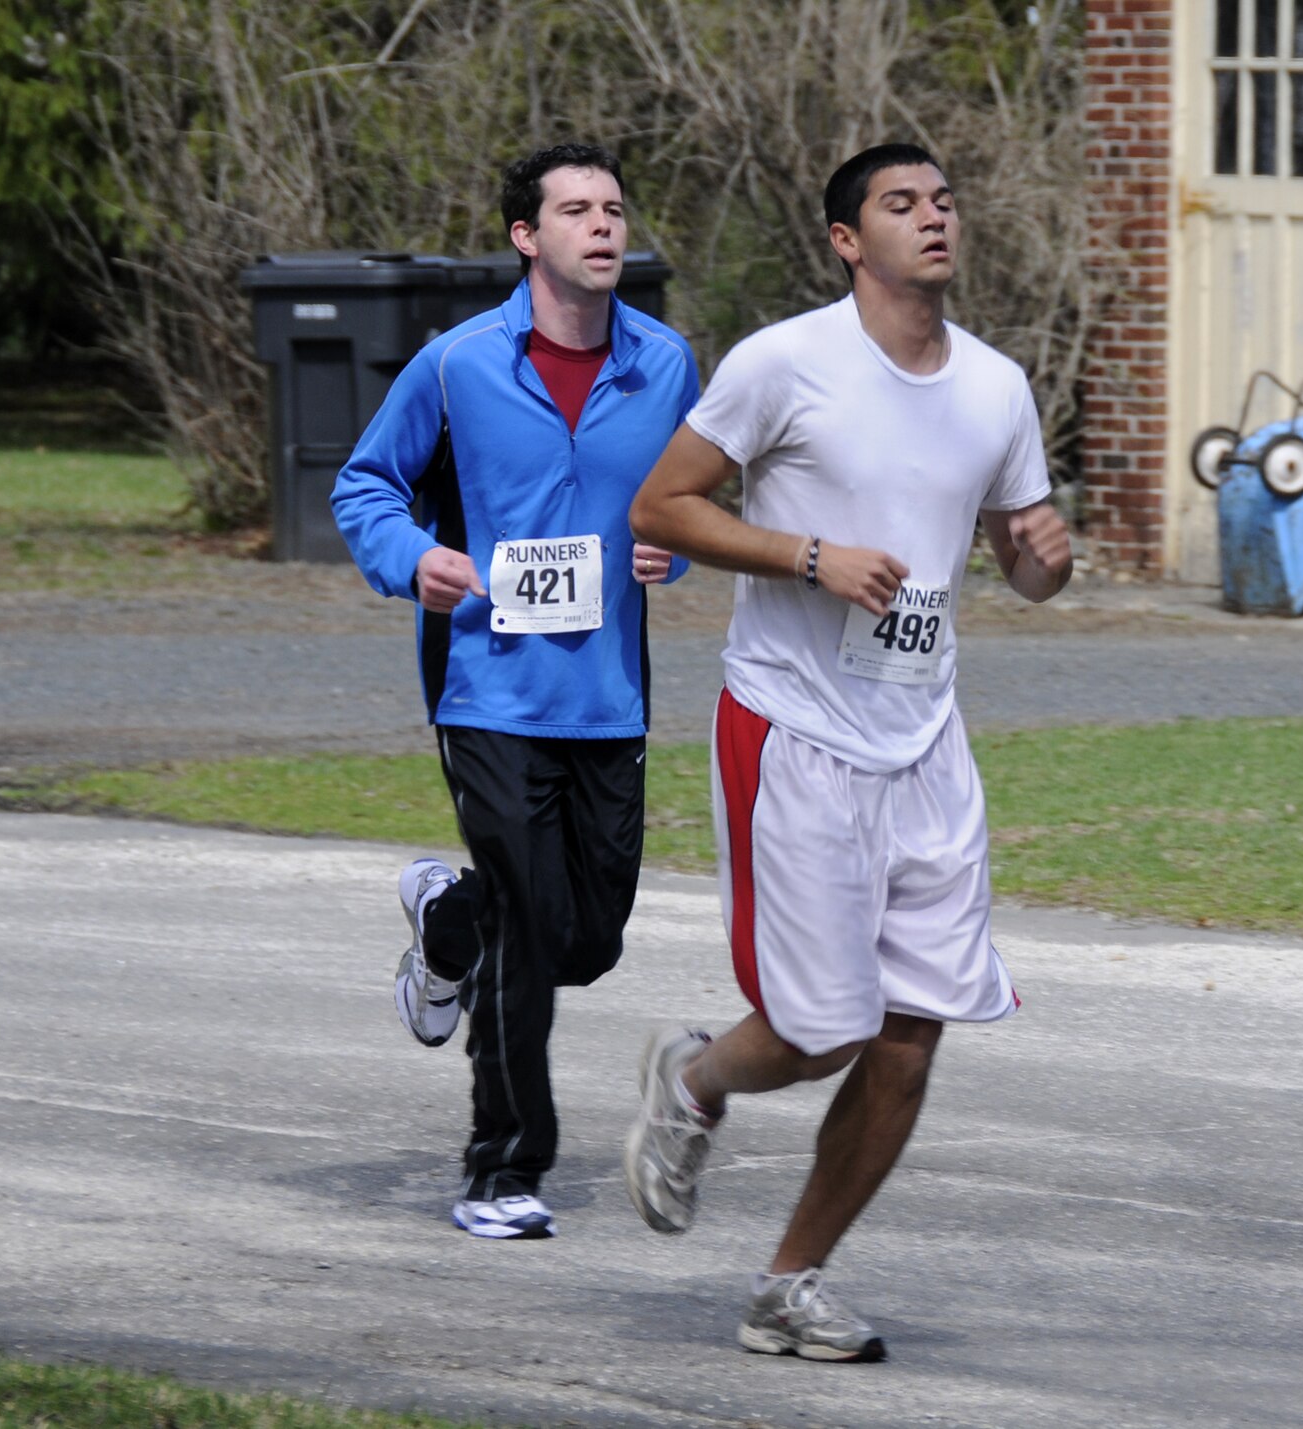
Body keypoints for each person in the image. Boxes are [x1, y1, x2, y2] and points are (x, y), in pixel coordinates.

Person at [623, 142, 1073, 1360]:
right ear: (844, 239)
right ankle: (698, 1079)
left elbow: (1020, 563)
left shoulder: (994, 386)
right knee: (818, 1029)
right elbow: (661, 508)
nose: (933, 218)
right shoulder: (786, 364)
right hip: (794, 726)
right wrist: (809, 557)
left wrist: (1042, 557)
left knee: (911, 1037)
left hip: (925, 737)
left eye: (941, 201)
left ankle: (790, 1284)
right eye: (899, 203)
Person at [332, 143, 698, 1240]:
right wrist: (413, 561)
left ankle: (447, 921)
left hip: (608, 693)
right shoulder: (454, 365)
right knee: (533, 933)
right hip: (486, 684)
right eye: (575, 209)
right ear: (525, 237)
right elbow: (365, 485)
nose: (602, 225)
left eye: (615, 209)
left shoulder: (668, 364)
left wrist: (666, 558)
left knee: (585, 941)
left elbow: (683, 504)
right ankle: (500, 1171)